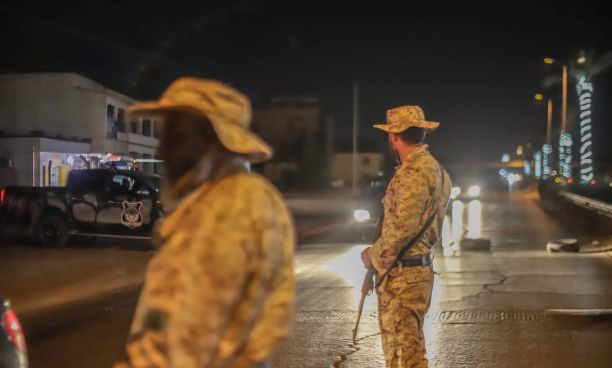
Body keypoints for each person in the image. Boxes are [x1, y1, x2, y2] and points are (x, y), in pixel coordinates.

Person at [115, 77, 295, 368]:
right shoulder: (221, 199)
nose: (161, 152)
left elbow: (190, 343)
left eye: (176, 138)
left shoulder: (233, 204)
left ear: (214, 141)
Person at [360, 105, 451, 368]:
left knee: (404, 355)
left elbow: (402, 229)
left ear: (394, 136)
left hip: (403, 278)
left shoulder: (413, 174)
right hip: (415, 271)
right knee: (407, 350)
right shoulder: (437, 170)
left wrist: (372, 255)